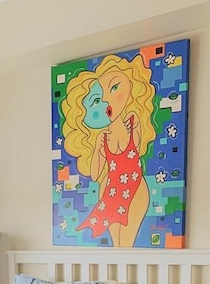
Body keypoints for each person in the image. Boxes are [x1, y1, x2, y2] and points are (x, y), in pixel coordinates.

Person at [62, 53, 156, 247]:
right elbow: (96, 175)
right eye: (97, 100)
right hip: (110, 193)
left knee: (127, 245)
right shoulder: (102, 140)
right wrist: (97, 149)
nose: (107, 101)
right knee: (117, 246)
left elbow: (135, 150)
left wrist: (134, 129)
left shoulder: (133, 122)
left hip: (135, 188)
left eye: (114, 88)